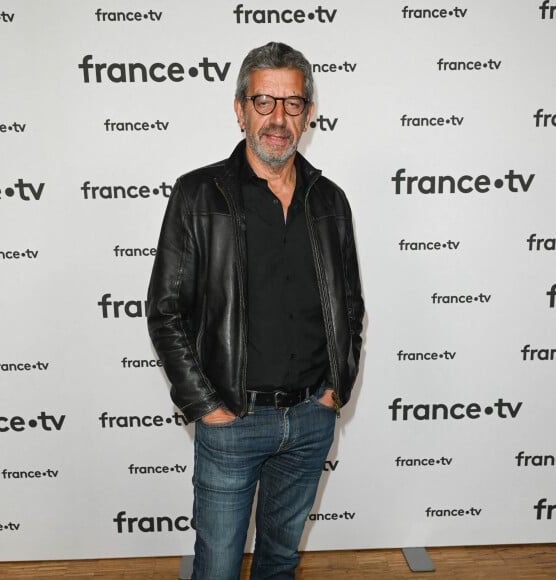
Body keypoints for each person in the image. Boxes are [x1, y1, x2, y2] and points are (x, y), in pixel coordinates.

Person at [147, 41, 364, 580]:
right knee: (218, 568)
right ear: (240, 108)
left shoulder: (330, 200)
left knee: (280, 564)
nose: (278, 119)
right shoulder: (199, 194)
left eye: (292, 104)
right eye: (264, 102)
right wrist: (207, 407)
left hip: (312, 416)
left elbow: (351, 304)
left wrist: (335, 390)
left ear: (309, 114)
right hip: (232, 419)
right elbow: (165, 310)